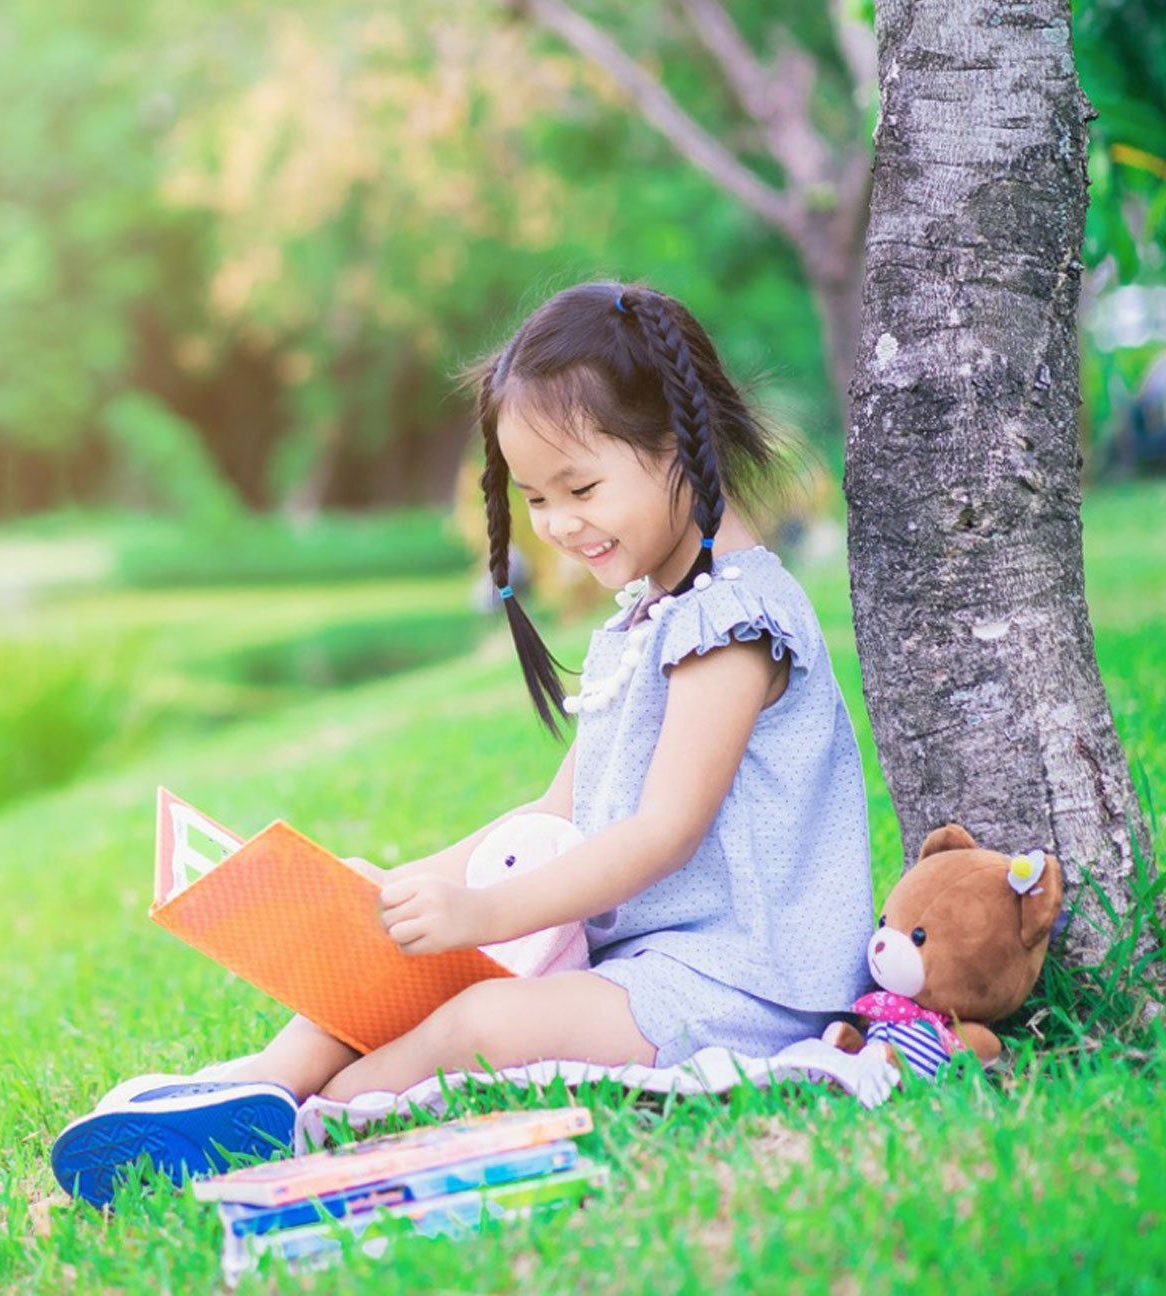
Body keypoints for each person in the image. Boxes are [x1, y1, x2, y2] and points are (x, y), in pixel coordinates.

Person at [52, 279, 874, 1206]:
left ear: (682, 446)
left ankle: (299, 1125)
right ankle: (259, 1085)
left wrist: (487, 916)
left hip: (740, 988)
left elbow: (662, 834)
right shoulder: (652, 618)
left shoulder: (732, 621)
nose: (559, 525)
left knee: (481, 1014)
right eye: (536, 498)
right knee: (388, 951)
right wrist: (408, 888)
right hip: (649, 973)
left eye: (582, 488)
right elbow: (557, 810)